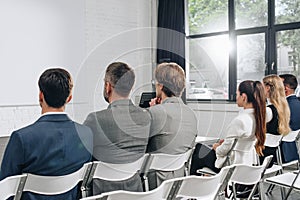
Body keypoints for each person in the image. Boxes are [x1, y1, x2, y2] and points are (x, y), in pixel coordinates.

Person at [0, 68, 93, 200]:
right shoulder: (86, 134)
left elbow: (4, 190)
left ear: (41, 95)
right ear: (69, 98)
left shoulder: (22, 138)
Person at [84, 62, 151, 194]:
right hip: (135, 191)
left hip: (103, 192)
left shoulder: (95, 119)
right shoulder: (146, 117)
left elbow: (83, 157)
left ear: (108, 86)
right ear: (131, 88)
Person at [190, 80, 266, 174]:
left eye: (237, 94)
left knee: (199, 149)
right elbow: (238, 142)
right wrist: (224, 143)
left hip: (230, 166)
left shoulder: (240, 121)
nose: (236, 97)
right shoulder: (258, 118)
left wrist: (216, 147)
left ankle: (191, 184)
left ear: (244, 97)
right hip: (246, 163)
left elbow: (223, 151)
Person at [147, 62, 198, 190]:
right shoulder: (191, 115)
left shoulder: (154, 113)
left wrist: (151, 111)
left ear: (161, 86)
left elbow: (138, 145)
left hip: (153, 184)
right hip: (179, 184)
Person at [260, 74, 291, 165]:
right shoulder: (283, 109)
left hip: (260, 156)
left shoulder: (268, 111)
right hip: (271, 157)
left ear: (268, 88)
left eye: (262, 87)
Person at [279, 74, 300, 163]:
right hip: (292, 151)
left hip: (280, 151)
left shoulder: (283, 107)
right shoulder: (297, 103)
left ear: (285, 88)